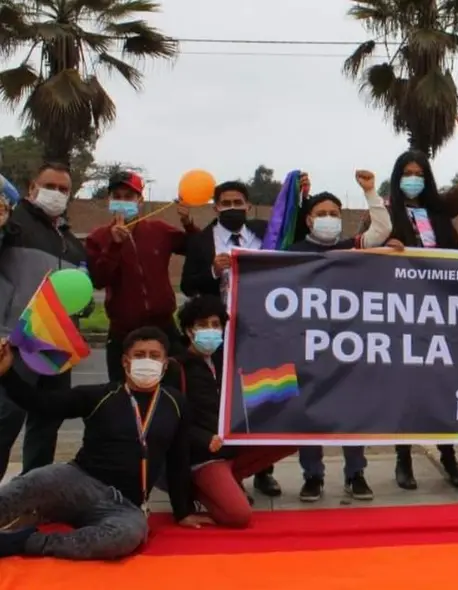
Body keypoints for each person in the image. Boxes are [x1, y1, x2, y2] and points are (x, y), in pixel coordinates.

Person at [0, 328, 210, 561]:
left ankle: (25, 541)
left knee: (126, 536)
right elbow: (42, 404)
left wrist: (183, 511)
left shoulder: (176, 403)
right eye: (139, 355)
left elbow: (178, 459)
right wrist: (7, 374)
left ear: (165, 363)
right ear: (125, 361)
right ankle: (40, 512)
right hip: (78, 482)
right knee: (31, 482)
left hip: (123, 504)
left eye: (154, 355)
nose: (147, 361)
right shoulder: (100, 395)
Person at [387, 114, 458, 490]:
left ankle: (448, 454)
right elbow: (365, 249)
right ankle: (402, 458)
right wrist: (385, 244)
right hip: (404, 315)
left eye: (419, 173)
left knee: (444, 386)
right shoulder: (385, 214)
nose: (413, 178)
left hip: (445, 314)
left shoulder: (440, 209)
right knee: (406, 389)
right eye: (407, 173)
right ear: (398, 178)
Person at [287, 170, 391, 502]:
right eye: (322, 214)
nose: (329, 219)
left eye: (334, 213)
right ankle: (312, 476)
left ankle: (355, 473)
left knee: (352, 409)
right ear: (309, 219)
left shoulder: (352, 248)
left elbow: (382, 230)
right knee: (309, 411)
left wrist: (370, 192)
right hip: (308, 346)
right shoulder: (291, 254)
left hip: (348, 345)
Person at [179, 180, 281, 497]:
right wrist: (212, 271)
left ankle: (263, 471)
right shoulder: (201, 241)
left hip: (259, 331)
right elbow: (187, 285)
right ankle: (229, 472)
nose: (233, 208)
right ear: (216, 207)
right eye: (226, 203)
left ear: (248, 206)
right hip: (219, 334)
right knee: (224, 402)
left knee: (261, 400)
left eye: (239, 202)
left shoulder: (265, 233)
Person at [165, 297, 295, 527]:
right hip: (204, 455)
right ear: (188, 330)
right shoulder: (176, 368)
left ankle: (226, 482)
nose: (210, 330)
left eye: (216, 325)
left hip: (232, 446)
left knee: (294, 434)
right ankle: (199, 488)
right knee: (239, 516)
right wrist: (205, 439)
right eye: (202, 325)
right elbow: (171, 423)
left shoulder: (226, 362)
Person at [0, 162, 87, 482]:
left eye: (64, 189)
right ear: (32, 188)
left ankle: (32, 491)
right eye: (50, 186)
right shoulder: (12, 223)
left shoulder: (70, 241)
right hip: (13, 340)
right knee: (5, 419)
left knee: (47, 421)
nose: (57, 194)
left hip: (56, 342)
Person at [86, 171, 199, 383]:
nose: (122, 201)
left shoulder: (159, 230)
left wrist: (188, 223)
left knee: (176, 387)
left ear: (140, 200)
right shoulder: (98, 237)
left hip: (164, 328)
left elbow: (196, 248)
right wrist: (114, 246)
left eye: (129, 196)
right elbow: (99, 280)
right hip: (123, 332)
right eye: (117, 196)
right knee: (122, 392)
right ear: (109, 200)